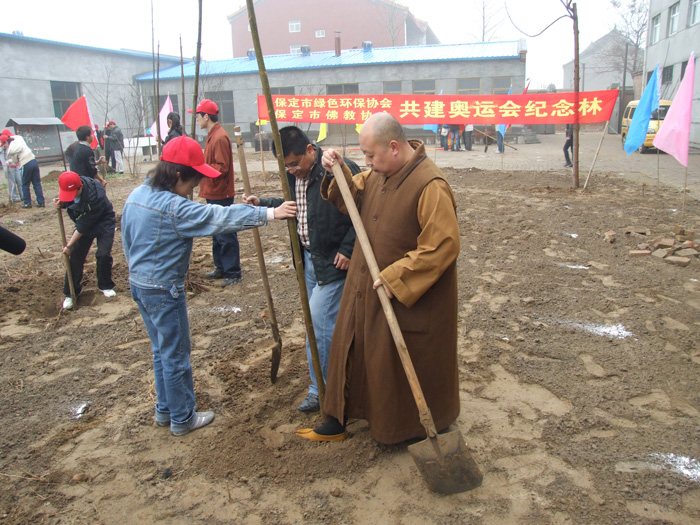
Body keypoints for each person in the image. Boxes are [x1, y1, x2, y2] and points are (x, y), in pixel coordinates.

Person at [297, 112, 460, 444]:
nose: (367, 162)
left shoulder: (430, 185)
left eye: (371, 155)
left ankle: (405, 429)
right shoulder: (378, 174)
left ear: (394, 147)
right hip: (364, 284)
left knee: (393, 363)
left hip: (404, 296)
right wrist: (336, 170)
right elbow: (351, 197)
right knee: (353, 347)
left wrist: (397, 277)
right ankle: (337, 418)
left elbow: (442, 245)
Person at [121, 136, 296, 436]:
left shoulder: (137, 194)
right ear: (177, 175)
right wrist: (269, 213)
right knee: (176, 356)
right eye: (193, 182)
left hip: (139, 284)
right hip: (164, 290)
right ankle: (182, 418)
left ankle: (165, 410)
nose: (194, 189)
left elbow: (127, 240)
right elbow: (217, 216)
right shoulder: (173, 207)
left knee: (160, 351)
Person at [243, 126, 360, 414]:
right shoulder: (293, 174)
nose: (292, 170)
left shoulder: (336, 169)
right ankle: (334, 380)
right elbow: (296, 207)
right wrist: (264, 204)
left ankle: (322, 390)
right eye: (286, 166)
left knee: (318, 327)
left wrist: (348, 249)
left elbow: (364, 210)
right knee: (318, 325)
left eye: (295, 163)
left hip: (333, 263)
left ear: (310, 150)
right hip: (309, 260)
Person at [188, 99, 241, 286]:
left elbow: (222, 167)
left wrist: (201, 169)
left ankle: (233, 272)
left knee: (225, 232)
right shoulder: (213, 135)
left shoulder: (219, 137)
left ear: (206, 116)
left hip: (220, 192)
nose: (196, 119)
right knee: (216, 232)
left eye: (198, 116)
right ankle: (221, 267)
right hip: (212, 190)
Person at [54, 171, 117, 310]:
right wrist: (62, 203)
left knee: (103, 254)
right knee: (76, 256)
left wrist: (69, 246)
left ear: (80, 187)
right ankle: (71, 292)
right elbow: (70, 200)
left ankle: (105, 285)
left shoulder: (95, 196)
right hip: (84, 223)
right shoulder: (73, 184)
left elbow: (82, 227)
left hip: (104, 222)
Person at [4, 134, 45, 209]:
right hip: (33, 161)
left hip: (26, 164)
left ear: (6, 142)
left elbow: (15, 161)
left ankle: (27, 203)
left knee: (25, 184)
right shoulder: (19, 140)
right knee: (37, 183)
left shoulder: (11, 150)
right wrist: (11, 136)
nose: (4, 147)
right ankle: (41, 202)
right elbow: (19, 136)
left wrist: (9, 161)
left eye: (4, 144)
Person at [0, 130, 22, 202]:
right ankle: (14, 197)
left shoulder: (13, 143)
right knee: (12, 183)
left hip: (17, 165)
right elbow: (3, 160)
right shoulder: (2, 148)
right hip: (9, 167)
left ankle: (23, 196)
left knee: (19, 181)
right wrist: (6, 169)